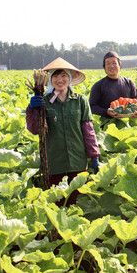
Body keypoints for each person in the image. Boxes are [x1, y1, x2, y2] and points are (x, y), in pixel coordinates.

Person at [26, 57, 100, 205]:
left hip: (77, 159)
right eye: (55, 76)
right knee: (57, 201)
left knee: (78, 200)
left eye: (64, 76)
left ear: (70, 78)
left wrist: (94, 156)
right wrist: (32, 109)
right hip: (53, 161)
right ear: (50, 80)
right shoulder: (43, 101)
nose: (60, 80)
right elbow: (35, 130)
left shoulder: (80, 100)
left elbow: (88, 131)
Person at [89, 51, 137, 119]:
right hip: (107, 124)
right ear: (104, 67)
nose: (111, 66)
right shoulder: (98, 86)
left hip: (128, 123)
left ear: (119, 65)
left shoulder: (129, 83)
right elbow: (92, 107)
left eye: (114, 63)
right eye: (108, 63)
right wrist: (106, 112)